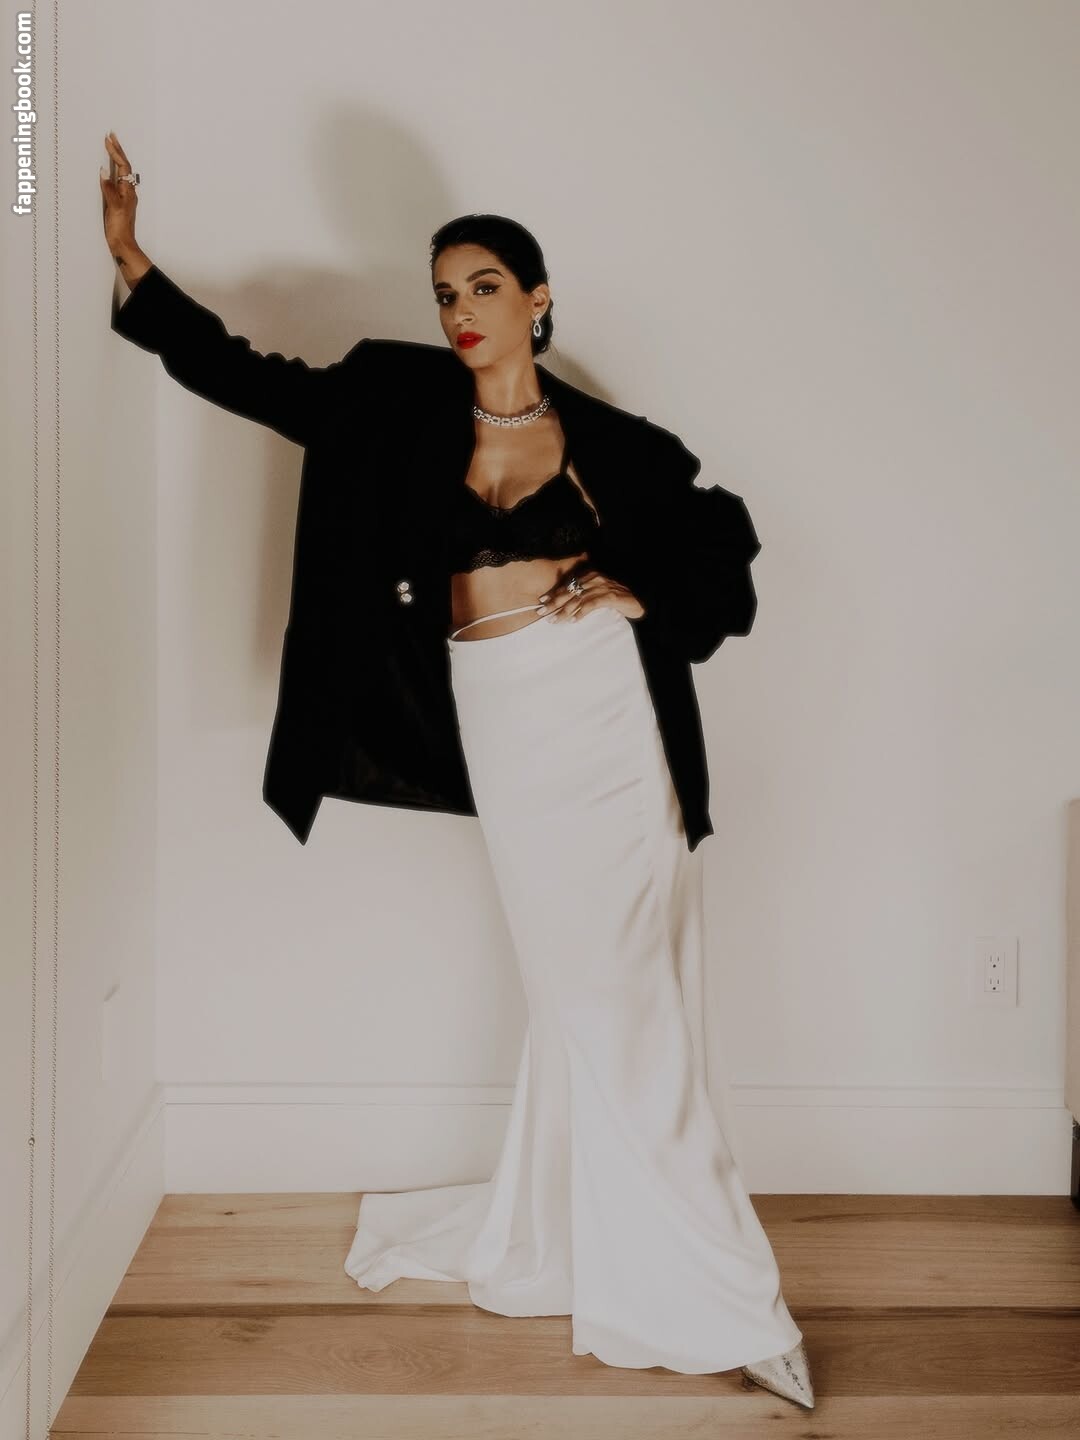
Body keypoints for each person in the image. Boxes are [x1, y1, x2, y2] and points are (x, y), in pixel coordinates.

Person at [101, 132, 814, 1410]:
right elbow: (254, 379)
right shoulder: (393, 399)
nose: (461, 312)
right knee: (579, 989)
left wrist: (637, 589)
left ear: (537, 297)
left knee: (627, 998)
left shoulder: (611, 439)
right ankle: (593, 1229)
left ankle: (722, 1291)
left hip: (609, 718)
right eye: (444, 293)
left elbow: (724, 536)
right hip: (506, 720)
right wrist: (135, 267)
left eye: (484, 286)